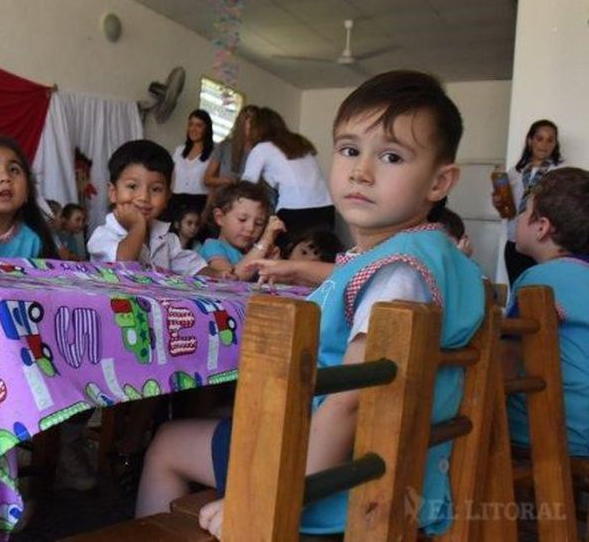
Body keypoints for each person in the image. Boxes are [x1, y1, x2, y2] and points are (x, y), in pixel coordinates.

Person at [136, 70, 485, 538]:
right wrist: (304, 271)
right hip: (408, 470)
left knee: (167, 442)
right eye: (348, 149)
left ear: (439, 181)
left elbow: (351, 405)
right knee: (229, 413)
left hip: (340, 482)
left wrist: (266, 498)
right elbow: (358, 282)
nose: (361, 171)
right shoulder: (433, 257)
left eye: (391, 156)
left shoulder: (395, 274)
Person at [503, 167, 589, 457]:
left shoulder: (539, 281)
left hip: (555, 433)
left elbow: (508, 358)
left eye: (523, 211)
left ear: (542, 227)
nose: (517, 218)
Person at [88, 139, 221, 277]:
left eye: (156, 189)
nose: (144, 197)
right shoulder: (102, 236)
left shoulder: (167, 240)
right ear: (113, 192)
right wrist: (138, 226)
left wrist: (220, 275)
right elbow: (122, 264)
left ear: (167, 197)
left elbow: (193, 268)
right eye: (132, 186)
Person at [241, 107, 334, 242]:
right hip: (326, 208)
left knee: (286, 257)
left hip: (295, 211)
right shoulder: (299, 144)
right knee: (317, 257)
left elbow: (246, 187)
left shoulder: (262, 148)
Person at [493, 119, 562, 285]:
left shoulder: (558, 173)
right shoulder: (515, 173)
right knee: (517, 291)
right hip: (514, 243)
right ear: (530, 141)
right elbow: (507, 209)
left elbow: (562, 209)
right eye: (539, 138)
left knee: (541, 294)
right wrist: (498, 202)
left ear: (555, 144)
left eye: (550, 140)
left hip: (544, 243)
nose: (544, 144)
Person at [198, 181, 284, 279]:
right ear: (220, 217)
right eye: (242, 220)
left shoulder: (255, 252)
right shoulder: (212, 246)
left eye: (259, 223)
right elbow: (232, 278)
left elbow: (283, 283)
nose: (251, 228)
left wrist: (274, 263)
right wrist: (264, 243)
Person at [168, 109, 214, 221]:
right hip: (176, 201)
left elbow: (213, 187)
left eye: (199, 125)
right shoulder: (179, 150)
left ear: (206, 128)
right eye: (191, 124)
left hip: (198, 203)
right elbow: (172, 179)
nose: (193, 129)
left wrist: (206, 212)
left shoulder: (214, 153)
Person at [203, 105, 257, 190]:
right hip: (224, 199)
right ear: (242, 123)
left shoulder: (261, 150)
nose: (254, 126)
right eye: (251, 121)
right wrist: (226, 181)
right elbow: (207, 179)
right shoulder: (224, 146)